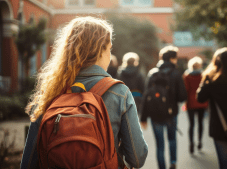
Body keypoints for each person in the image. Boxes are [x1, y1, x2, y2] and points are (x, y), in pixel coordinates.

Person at [21, 16, 148, 169]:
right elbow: (137, 157)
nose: (109, 55)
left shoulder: (51, 89)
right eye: (109, 49)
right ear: (99, 50)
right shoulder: (119, 92)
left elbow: (28, 162)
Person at [196, 47, 227, 169]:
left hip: (220, 129)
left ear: (216, 63)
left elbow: (200, 98)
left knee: (225, 163)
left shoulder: (212, 82)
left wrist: (205, 80)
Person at [140, 45, 187, 169]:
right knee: (172, 140)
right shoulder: (176, 73)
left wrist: (143, 117)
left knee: (160, 145)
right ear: (172, 58)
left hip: (155, 114)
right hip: (171, 113)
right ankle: (173, 162)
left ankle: (162, 167)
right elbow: (182, 96)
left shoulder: (152, 73)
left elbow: (146, 96)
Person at [183, 56, 208, 154]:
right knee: (201, 123)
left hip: (190, 103)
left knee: (191, 124)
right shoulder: (203, 75)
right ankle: (200, 141)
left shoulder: (186, 76)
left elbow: (186, 90)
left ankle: (191, 143)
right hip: (202, 103)